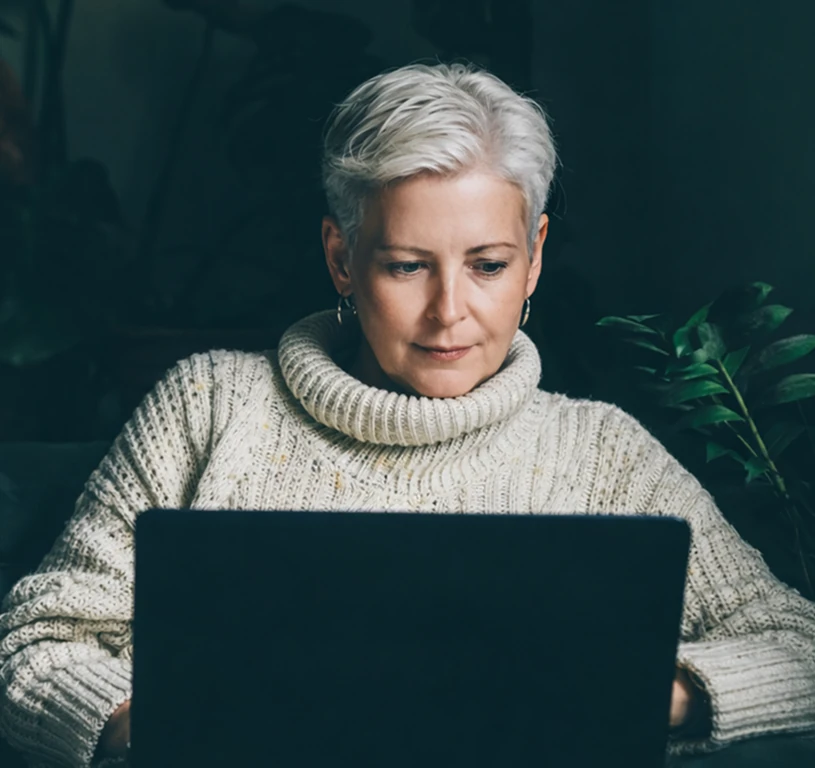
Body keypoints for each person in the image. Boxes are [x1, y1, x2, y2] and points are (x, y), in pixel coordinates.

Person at [1, 62, 814, 768]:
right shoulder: (208, 404)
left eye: (489, 265)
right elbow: (33, 644)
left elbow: (797, 647)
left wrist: (646, 694)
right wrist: (182, 728)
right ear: (340, 258)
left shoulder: (601, 451)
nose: (449, 313)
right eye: (405, 266)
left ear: (533, 258)